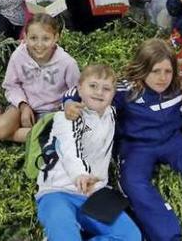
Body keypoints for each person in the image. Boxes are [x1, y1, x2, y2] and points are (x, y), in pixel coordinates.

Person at [63, 39, 182, 241]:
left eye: (167, 71)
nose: (162, 78)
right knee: (134, 183)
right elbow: (78, 91)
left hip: (173, 139)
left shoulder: (180, 83)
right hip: (136, 146)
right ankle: (168, 236)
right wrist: (69, 103)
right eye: (155, 71)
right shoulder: (125, 89)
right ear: (143, 68)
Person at [35, 65, 141, 241]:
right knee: (65, 236)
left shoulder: (112, 114)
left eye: (106, 89)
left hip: (94, 192)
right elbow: (68, 149)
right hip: (57, 191)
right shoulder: (66, 117)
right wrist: (80, 175)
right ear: (79, 89)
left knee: (131, 236)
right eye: (93, 86)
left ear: (114, 94)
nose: (99, 92)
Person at [0, 14, 79, 150]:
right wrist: (23, 105)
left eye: (46, 39)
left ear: (56, 38)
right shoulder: (19, 56)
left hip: (51, 112)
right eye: (33, 38)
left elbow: (76, 92)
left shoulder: (67, 63)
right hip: (22, 105)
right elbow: (11, 85)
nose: (39, 45)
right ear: (25, 37)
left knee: (51, 135)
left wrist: (65, 109)